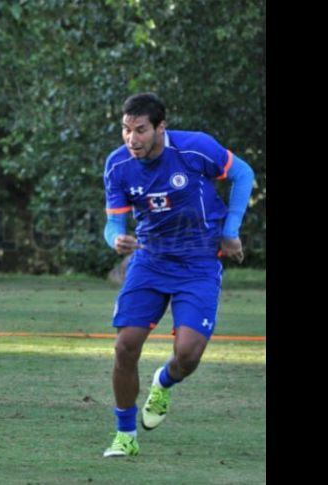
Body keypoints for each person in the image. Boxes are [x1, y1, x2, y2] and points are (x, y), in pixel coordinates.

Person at [101, 92, 255, 457]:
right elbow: (113, 224)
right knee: (125, 346)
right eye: (125, 130)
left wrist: (230, 230)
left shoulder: (195, 148)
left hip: (199, 263)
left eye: (140, 130)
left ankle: (163, 382)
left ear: (160, 128)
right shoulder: (118, 165)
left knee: (187, 354)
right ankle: (125, 435)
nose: (131, 139)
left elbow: (244, 173)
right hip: (150, 261)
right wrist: (115, 240)